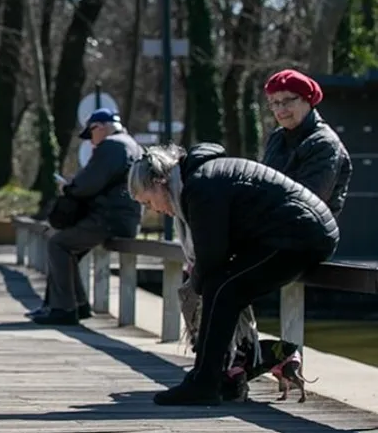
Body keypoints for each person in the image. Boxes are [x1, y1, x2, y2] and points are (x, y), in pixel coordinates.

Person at [127, 143, 338, 406]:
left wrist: (197, 285)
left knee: (224, 289)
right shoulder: (197, 180)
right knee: (220, 286)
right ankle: (214, 377)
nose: (154, 209)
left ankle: (206, 382)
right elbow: (215, 252)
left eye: (148, 201)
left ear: (159, 182)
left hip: (299, 234)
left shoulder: (199, 187)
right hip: (291, 231)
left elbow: (211, 254)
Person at [29, 108, 143, 326]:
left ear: (99, 127)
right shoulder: (132, 145)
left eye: (91, 134)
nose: (91, 141)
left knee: (58, 244)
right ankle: (79, 305)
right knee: (70, 250)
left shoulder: (112, 145)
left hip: (109, 218)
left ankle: (64, 309)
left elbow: (88, 183)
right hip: (125, 217)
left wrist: (68, 187)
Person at [261, 69, 351, 215]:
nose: (280, 110)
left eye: (287, 101)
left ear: (307, 99)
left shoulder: (324, 143)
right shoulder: (277, 137)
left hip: (307, 232)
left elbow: (308, 202)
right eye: (274, 103)